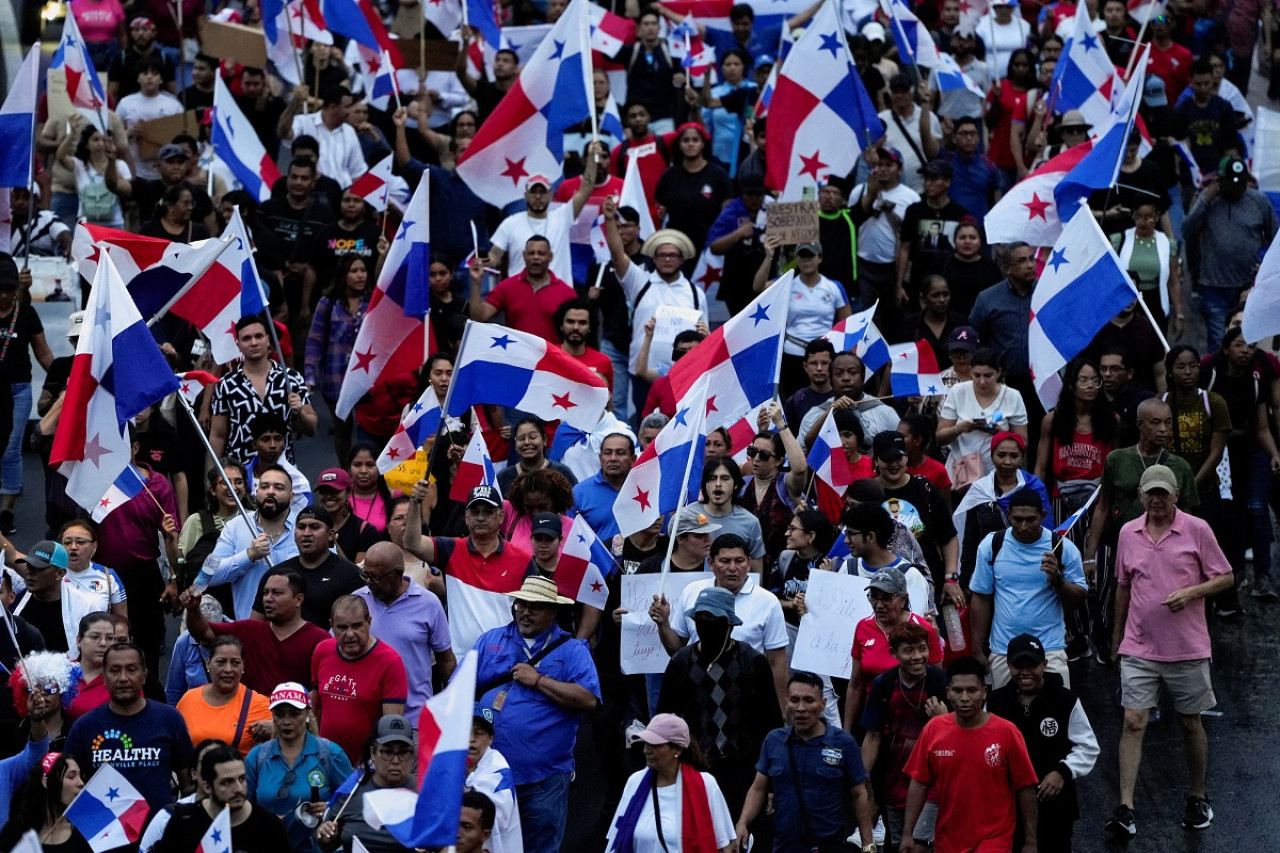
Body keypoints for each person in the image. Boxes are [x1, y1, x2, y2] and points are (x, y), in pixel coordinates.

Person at [1106, 464, 1234, 836]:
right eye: (1151, 493)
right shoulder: (1128, 532)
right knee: (1133, 721)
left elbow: (1226, 576)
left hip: (1187, 648)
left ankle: (1197, 796)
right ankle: (1125, 808)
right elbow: (1123, 587)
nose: (1157, 499)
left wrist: (1192, 593)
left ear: (1176, 495)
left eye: (1164, 493)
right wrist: (1116, 639)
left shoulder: (1197, 529)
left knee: (1189, 722)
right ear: (1141, 496)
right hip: (1139, 645)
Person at [472, 575, 600, 853]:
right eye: (521, 604)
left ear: (553, 611)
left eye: (536, 607)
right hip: (489, 775)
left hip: (544, 778)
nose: (526, 612)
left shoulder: (572, 650)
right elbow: (460, 691)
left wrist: (539, 680)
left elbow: (588, 699)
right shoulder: (490, 640)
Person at [654, 586, 783, 824]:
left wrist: (771, 782)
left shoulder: (752, 662)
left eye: (713, 619)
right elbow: (663, 721)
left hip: (743, 770)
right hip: (695, 769)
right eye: (701, 618)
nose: (707, 624)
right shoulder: (681, 663)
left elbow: (771, 723)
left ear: (729, 624)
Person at [1083, 399, 1200, 659]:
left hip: (1163, 551)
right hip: (1121, 547)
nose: (1163, 429)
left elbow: (1188, 517)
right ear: (1139, 424)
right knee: (1113, 599)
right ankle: (1115, 652)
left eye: (1167, 423)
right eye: (1155, 423)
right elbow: (1103, 507)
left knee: (1155, 606)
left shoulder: (1179, 466)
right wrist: (1090, 555)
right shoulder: (1117, 459)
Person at [900, 657, 1039, 853]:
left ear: (984, 692)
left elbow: (1025, 787)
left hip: (994, 840)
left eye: (972, 690)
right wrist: (907, 834)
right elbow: (919, 783)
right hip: (948, 841)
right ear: (948, 693)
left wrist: (1031, 841)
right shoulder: (934, 729)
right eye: (957, 691)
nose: (964, 698)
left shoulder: (1007, 732)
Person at [738, 672, 875, 853]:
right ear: (786, 703)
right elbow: (758, 788)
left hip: (829, 846)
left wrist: (868, 844)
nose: (801, 708)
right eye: (794, 700)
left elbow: (859, 794)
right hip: (784, 846)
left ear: (823, 704)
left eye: (809, 700)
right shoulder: (773, 741)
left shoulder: (844, 743)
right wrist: (743, 822)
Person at [988, 634, 1100, 853]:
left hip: (1056, 805)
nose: (1025, 672)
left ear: (1044, 664)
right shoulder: (995, 702)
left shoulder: (1066, 700)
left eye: (1032, 665)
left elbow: (1088, 746)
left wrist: (1063, 772)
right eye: (1018, 665)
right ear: (1008, 666)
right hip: (1009, 807)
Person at [655, 534, 790, 712]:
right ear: (711, 563)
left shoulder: (768, 602)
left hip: (745, 698)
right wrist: (663, 624)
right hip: (696, 694)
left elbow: (777, 662)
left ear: (749, 563)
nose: (732, 568)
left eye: (739, 561)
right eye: (725, 561)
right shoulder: (692, 592)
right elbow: (677, 649)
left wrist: (780, 712)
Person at [969, 490, 1087, 688]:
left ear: (1043, 515)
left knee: (1057, 706)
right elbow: (981, 597)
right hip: (1004, 649)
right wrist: (977, 649)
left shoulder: (1062, 547)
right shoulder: (992, 545)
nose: (1023, 526)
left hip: (1050, 648)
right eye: (1017, 519)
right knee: (1004, 708)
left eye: (1031, 520)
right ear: (1008, 515)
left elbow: (1079, 599)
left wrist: (1057, 580)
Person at [403, 484, 535, 654]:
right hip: (459, 660)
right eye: (474, 512)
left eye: (487, 512)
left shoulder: (522, 560)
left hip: (504, 660)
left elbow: (534, 611)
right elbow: (412, 543)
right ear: (466, 517)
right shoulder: (451, 549)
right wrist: (415, 504)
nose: (480, 517)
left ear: (501, 516)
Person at [64, 641, 195, 803]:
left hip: (160, 819)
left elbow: (188, 784)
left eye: (131, 670)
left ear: (144, 675)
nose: (123, 678)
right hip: (105, 818)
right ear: (104, 677)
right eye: (115, 670)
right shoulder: (84, 727)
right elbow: (67, 786)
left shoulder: (170, 719)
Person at [859, 622, 948, 852]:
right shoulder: (884, 684)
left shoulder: (942, 682)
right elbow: (872, 736)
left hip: (935, 785)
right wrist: (862, 783)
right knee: (901, 845)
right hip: (895, 783)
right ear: (894, 653)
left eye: (922, 649)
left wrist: (944, 719)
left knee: (927, 845)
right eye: (909, 650)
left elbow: (963, 731)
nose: (917, 657)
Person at [354, 541, 456, 724]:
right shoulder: (357, 601)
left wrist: (453, 702)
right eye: (365, 575)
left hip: (414, 719)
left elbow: (446, 659)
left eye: (375, 577)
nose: (369, 583)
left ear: (398, 575)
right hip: (365, 717)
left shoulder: (429, 603)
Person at [245, 683, 355, 853]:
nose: (286, 721)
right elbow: (243, 806)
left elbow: (352, 803)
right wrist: (266, 818)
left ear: (307, 714)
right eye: (280, 714)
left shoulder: (331, 754)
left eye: (294, 713)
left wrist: (329, 809)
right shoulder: (257, 757)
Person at [184, 570, 332, 694]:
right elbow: (203, 632)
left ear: (298, 600)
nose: (268, 599)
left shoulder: (319, 640)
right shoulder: (248, 630)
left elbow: (325, 691)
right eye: (265, 593)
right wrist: (193, 610)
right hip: (249, 717)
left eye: (277, 593)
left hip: (295, 719)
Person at [1183, 156, 1277, 352]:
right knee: (1219, 342)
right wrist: (1205, 200)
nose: (1237, 187)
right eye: (1232, 182)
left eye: (1242, 183)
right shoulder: (1208, 201)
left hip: (1247, 287)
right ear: (1220, 181)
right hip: (1213, 287)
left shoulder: (1259, 201)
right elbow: (1187, 230)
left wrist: (1264, 266)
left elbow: (1275, 240)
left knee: (1247, 343)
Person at [604, 714, 736, 853]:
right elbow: (616, 839)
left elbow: (723, 845)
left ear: (678, 749)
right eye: (646, 743)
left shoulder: (705, 784)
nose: (646, 750)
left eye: (655, 745)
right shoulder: (635, 782)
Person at [190, 465, 300, 621]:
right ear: (256, 491)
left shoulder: (305, 529)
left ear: (291, 496)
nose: (270, 491)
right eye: (264, 486)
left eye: (279, 487)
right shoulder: (235, 526)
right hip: (248, 628)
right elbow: (206, 576)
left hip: (294, 628)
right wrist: (249, 555)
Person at [840, 567, 943, 731]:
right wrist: (847, 732)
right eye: (874, 597)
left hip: (914, 719)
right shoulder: (863, 627)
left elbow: (937, 681)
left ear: (903, 600)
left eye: (887, 598)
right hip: (873, 718)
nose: (879, 605)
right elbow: (856, 684)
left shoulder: (923, 629)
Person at [869, 431, 962, 607]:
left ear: (906, 458)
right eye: (887, 459)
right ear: (876, 461)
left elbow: (948, 536)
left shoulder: (925, 488)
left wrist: (951, 577)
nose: (894, 464)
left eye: (898, 457)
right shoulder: (867, 492)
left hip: (926, 582)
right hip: (880, 586)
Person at [311, 596, 407, 763]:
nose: (350, 634)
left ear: (368, 622)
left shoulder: (390, 662)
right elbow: (316, 709)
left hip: (367, 764)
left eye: (356, 626)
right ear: (332, 625)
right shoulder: (322, 651)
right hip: (325, 760)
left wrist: (372, 766)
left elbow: (390, 727)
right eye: (342, 627)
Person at [210, 317, 317, 466]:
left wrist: (300, 413)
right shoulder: (226, 385)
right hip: (241, 471)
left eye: (259, 336)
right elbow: (218, 436)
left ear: (268, 341)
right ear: (238, 345)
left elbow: (312, 428)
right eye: (247, 338)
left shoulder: (291, 379)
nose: (254, 342)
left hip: (283, 471)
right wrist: (212, 475)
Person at [151, 744, 291, 853]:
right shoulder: (184, 822)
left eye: (241, 779)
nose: (238, 788)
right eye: (227, 782)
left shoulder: (269, 826)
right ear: (207, 787)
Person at [754, 240, 851, 395]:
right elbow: (758, 287)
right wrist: (769, 256)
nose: (806, 260)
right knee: (794, 399)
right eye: (802, 256)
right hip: (793, 353)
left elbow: (847, 324)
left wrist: (844, 356)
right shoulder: (787, 283)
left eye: (810, 256)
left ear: (819, 258)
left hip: (825, 355)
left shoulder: (834, 287)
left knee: (826, 399)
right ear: (797, 259)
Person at [0, 258, 53, 536]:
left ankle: (7, 510)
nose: (4, 295)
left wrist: (63, 377)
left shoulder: (26, 314)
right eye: (0, 289)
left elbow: (43, 353)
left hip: (18, 390)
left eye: (9, 289)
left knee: (11, 448)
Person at [952, 431, 1053, 576]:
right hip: (989, 566)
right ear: (992, 456)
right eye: (1001, 455)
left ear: (1021, 458)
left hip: (1029, 565)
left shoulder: (1034, 487)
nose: (1007, 461)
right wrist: (966, 579)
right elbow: (970, 539)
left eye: (1014, 456)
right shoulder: (980, 490)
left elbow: (1047, 531)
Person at [306, 255, 372, 462]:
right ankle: (345, 472)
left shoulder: (373, 302)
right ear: (343, 275)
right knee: (343, 428)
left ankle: (366, 471)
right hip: (335, 378)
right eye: (354, 271)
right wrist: (309, 375)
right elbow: (315, 340)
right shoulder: (327, 304)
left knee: (366, 428)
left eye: (363, 270)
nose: (360, 275)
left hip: (366, 377)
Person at [936, 347, 1030, 489]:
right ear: (970, 371)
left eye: (987, 376)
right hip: (961, 472)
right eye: (977, 375)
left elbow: (1023, 443)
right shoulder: (958, 391)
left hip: (998, 473)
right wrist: (960, 428)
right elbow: (940, 437)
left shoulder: (1013, 396)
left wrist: (1000, 434)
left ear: (998, 372)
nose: (982, 381)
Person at [850, 148, 921, 317]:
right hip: (864, 266)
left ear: (900, 170)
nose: (882, 169)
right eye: (879, 164)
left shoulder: (911, 198)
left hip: (893, 268)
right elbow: (852, 222)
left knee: (893, 317)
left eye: (889, 165)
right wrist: (870, 195)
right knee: (864, 317)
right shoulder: (859, 191)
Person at [176, 635, 273, 757]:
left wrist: (274, 727)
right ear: (208, 664)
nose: (228, 669)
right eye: (221, 662)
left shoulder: (260, 705)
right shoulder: (188, 699)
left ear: (243, 666)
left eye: (235, 663)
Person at [12, 541, 100, 656]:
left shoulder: (85, 607)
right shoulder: (14, 602)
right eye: (29, 565)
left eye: (38, 567)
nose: (30, 572)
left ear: (60, 573)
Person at [655, 124, 733, 251]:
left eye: (695, 140)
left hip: (708, 248)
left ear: (703, 144)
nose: (690, 144)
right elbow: (659, 208)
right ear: (679, 144)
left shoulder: (718, 175)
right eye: (685, 140)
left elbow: (727, 213)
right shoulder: (669, 176)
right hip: (676, 247)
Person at [0, 753, 90, 853]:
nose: (81, 783)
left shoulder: (85, 833)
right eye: (71, 776)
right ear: (46, 782)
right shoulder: (14, 832)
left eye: (80, 775)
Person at [692, 458, 767, 575]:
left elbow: (756, 572)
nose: (718, 484)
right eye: (712, 478)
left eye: (724, 478)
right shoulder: (686, 516)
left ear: (736, 484)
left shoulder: (750, 522)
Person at [466, 716, 521, 853]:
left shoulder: (499, 770)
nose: (471, 739)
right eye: (465, 732)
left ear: (490, 738)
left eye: (478, 733)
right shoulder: (453, 763)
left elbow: (497, 820)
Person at [571, 432, 638, 542]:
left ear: (633, 459)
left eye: (620, 453)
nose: (613, 458)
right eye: (607, 453)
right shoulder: (580, 493)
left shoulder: (646, 489)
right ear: (600, 458)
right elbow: (569, 538)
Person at [58, 520, 127, 619]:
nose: (73, 547)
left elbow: (121, 621)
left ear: (94, 547)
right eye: (67, 542)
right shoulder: (52, 574)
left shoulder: (109, 576)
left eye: (80, 542)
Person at [497, 417, 577, 494]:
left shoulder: (562, 472)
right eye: (521, 438)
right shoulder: (503, 477)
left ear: (544, 440)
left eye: (532, 437)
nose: (527, 442)